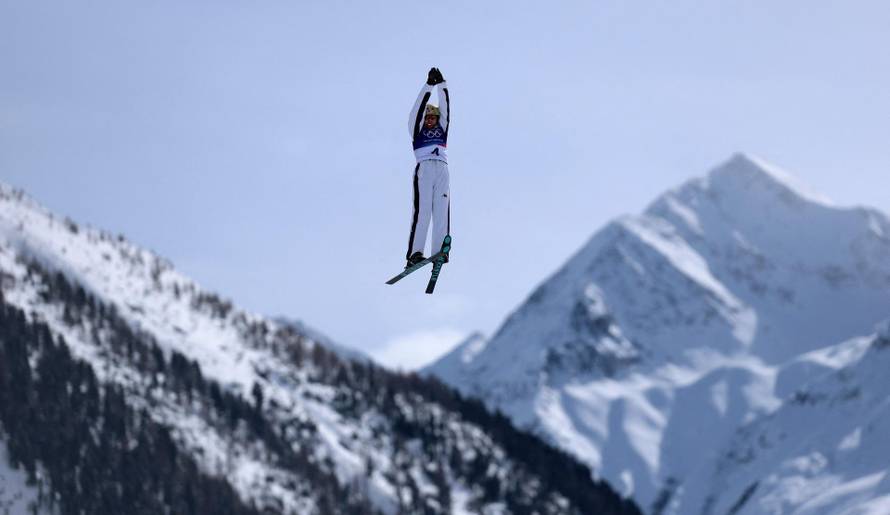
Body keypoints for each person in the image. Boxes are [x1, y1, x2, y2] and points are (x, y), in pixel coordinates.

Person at [405, 67, 451, 268]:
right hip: (424, 168)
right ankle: (415, 253)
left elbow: (446, 108)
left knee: (441, 210)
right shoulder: (417, 130)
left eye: (434, 117)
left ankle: (439, 251)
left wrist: (442, 85)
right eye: (428, 117)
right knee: (423, 211)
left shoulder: (443, 128)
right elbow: (416, 111)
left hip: (442, 168)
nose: (431, 120)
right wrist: (429, 86)